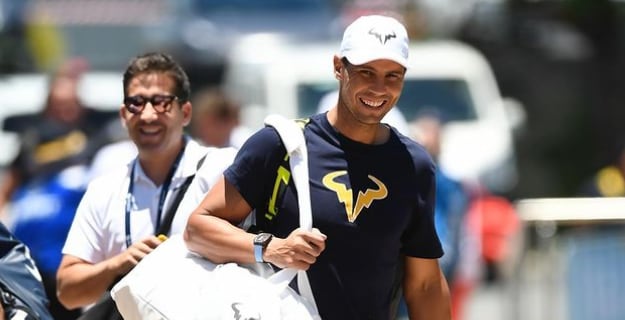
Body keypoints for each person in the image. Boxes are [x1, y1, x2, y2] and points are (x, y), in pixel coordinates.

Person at [184, 15, 451, 320]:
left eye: (393, 76)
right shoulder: (280, 145)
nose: (379, 88)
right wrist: (269, 248)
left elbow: (425, 284)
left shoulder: (412, 164)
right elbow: (198, 229)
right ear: (339, 67)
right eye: (366, 72)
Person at [56, 52, 235, 313]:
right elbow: (67, 291)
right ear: (123, 114)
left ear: (185, 113)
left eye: (161, 102)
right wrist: (119, 264)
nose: (148, 115)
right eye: (136, 103)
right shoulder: (106, 188)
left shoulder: (219, 169)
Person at [0, 57, 119, 319]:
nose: (64, 112)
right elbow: (9, 186)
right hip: (31, 248)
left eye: (70, 106)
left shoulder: (96, 141)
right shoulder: (32, 140)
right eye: (58, 106)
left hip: (74, 247)